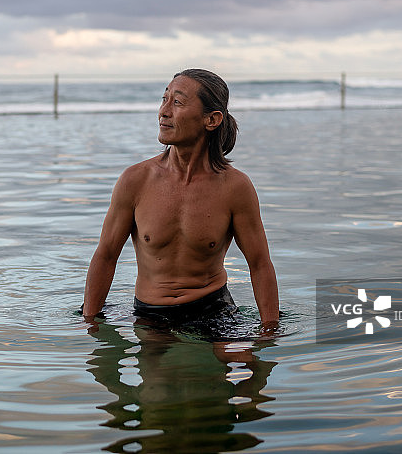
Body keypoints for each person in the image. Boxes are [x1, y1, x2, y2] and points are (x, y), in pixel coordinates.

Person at [82, 69, 279, 329]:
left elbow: (260, 264)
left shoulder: (235, 187)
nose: (164, 112)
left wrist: (270, 329)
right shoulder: (135, 180)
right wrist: (90, 321)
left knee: (233, 350)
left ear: (212, 119)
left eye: (177, 102)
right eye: (164, 99)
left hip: (214, 313)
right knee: (158, 353)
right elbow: (106, 255)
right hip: (150, 314)